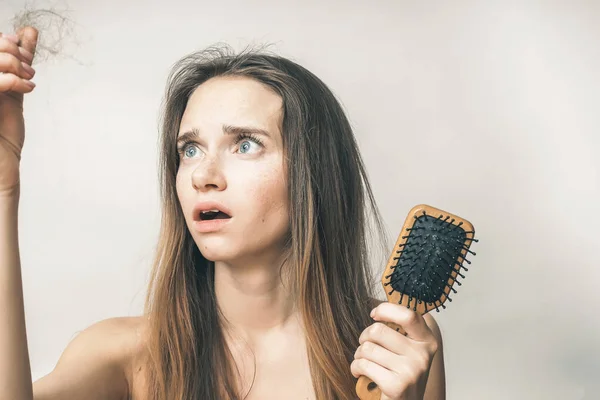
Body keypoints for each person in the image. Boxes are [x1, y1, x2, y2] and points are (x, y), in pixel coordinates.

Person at [0, 26, 445, 400]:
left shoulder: (397, 341)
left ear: (314, 173)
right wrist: (4, 189)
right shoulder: (124, 354)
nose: (203, 175)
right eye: (190, 149)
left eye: (245, 144)